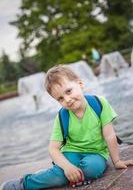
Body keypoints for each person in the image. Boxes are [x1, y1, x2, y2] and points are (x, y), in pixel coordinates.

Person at [1, 65, 133, 190]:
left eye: (69, 91)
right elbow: (53, 149)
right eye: (60, 98)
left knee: (93, 169)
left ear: (80, 84)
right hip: (71, 152)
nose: (67, 99)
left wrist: (116, 161)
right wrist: (67, 167)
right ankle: (26, 183)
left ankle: (59, 175)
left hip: (96, 153)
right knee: (61, 174)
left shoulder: (99, 104)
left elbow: (109, 135)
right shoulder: (63, 116)